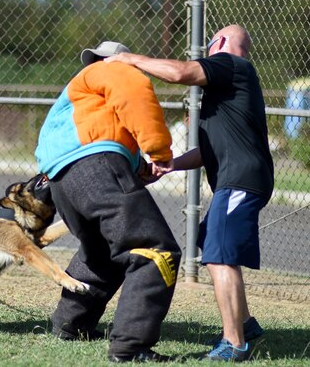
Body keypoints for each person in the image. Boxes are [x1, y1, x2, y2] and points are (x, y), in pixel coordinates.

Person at [106, 24, 274, 361]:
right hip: (238, 179)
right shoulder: (228, 88)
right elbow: (207, 149)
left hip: (240, 181)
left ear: (221, 43)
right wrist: (171, 165)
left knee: (219, 255)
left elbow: (180, 72)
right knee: (212, 239)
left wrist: (129, 59)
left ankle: (235, 344)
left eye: (209, 45)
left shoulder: (230, 64)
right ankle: (245, 324)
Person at [35, 41, 182, 362]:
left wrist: (137, 167)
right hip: (95, 166)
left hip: (63, 179)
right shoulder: (114, 70)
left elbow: (106, 132)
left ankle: (71, 325)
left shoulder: (80, 97)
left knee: (102, 253)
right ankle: (131, 345)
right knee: (154, 249)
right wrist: (159, 151)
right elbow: (134, 95)